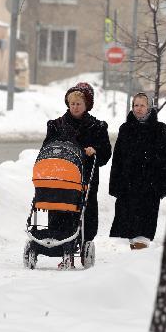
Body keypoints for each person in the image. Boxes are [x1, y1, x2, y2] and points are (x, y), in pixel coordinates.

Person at [42, 82, 112, 268]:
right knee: (59, 207)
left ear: (87, 104)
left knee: (84, 210)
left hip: (86, 177)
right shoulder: (57, 125)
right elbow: (47, 148)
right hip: (61, 177)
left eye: (79, 103)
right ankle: (59, 243)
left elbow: (105, 154)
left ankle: (84, 241)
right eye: (72, 103)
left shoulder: (97, 127)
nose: (75, 107)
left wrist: (94, 150)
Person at [109, 92, 166, 249]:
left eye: (142, 105)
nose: (138, 108)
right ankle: (131, 263)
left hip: (150, 185)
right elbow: (117, 158)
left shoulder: (160, 129)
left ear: (149, 107)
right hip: (128, 184)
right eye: (135, 105)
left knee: (144, 228)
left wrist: (165, 184)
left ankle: (138, 259)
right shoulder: (125, 129)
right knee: (129, 228)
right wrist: (115, 184)